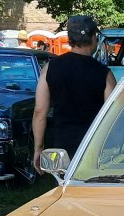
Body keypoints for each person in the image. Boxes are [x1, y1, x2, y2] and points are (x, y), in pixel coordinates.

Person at [32, 15, 116, 166]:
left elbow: (39, 112)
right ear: (93, 38)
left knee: (63, 187)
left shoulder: (50, 68)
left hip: (60, 146)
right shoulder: (105, 74)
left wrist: (39, 148)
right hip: (93, 146)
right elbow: (114, 115)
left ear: (70, 39)